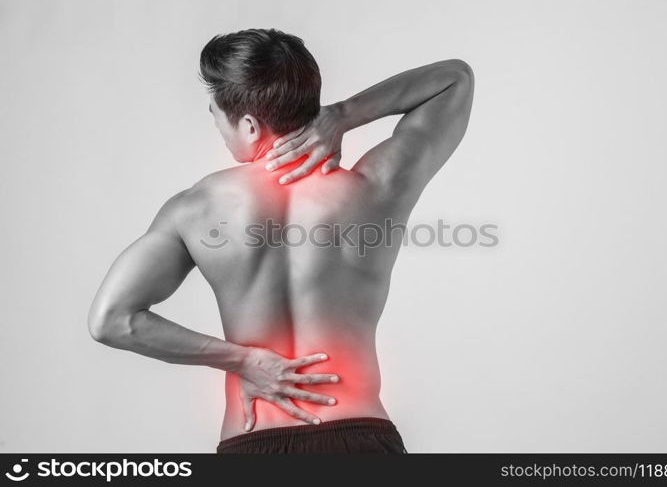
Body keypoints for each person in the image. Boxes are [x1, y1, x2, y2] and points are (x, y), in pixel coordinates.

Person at [88, 28, 474, 453]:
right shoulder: (374, 188)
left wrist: (242, 360)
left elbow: (113, 320)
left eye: (215, 113)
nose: (216, 123)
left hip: (254, 442)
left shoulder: (194, 209)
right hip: (362, 438)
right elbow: (454, 79)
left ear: (250, 125)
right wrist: (344, 114)